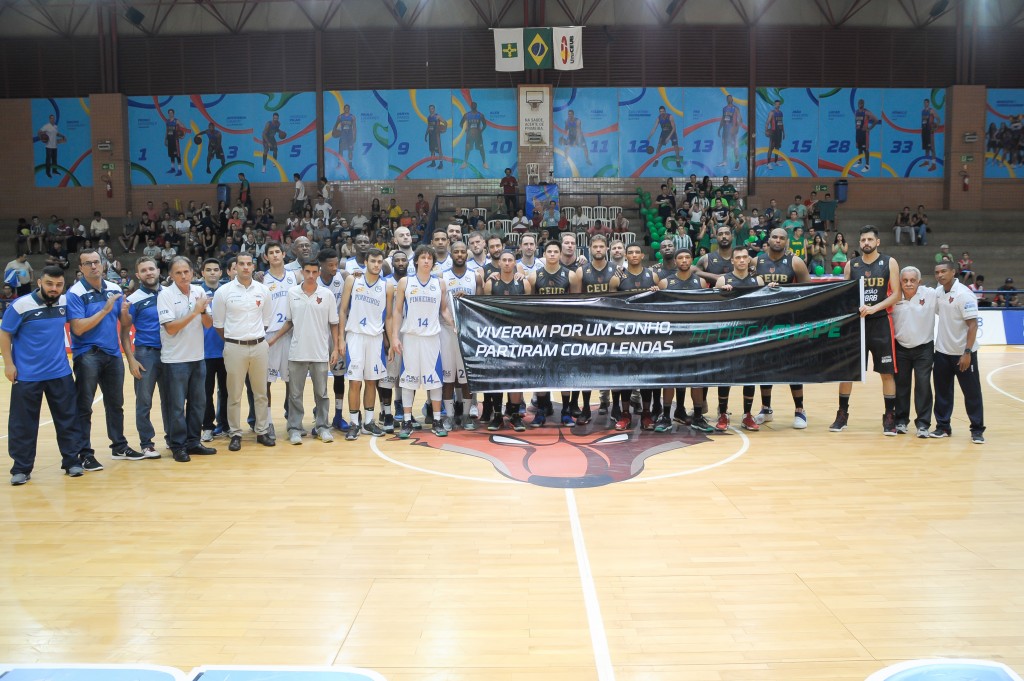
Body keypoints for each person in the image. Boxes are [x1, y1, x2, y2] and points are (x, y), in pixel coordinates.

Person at [1, 266, 87, 484]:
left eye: (58, 285)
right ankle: (21, 468)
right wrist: (8, 364)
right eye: (49, 284)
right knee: (23, 424)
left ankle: (71, 462)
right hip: (27, 375)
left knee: (68, 419)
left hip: (60, 373)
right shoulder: (21, 305)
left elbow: (79, 324)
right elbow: (5, 333)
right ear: (39, 282)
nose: (54, 288)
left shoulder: (65, 302)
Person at [67, 248, 143, 470]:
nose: (93, 266)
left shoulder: (114, 288)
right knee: (84, 406)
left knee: (115, 404)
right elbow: (78, 328)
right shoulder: (75, 293)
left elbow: (124, 324)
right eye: (88, 263)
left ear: (102, 264)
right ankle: (84, 452)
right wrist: (105, 309)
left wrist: (127, 313)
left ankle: (119, 446)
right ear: (80, 268)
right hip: (87, 355)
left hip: (112, 354)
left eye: (96, 262)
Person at [829, 225, 901, 435]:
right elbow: (846, 295)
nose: (866, 243)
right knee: (848, 372)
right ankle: (842, 414)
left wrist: (873, 308)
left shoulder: (889, 262)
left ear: (877, 242)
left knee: (887, 373)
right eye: (863, 240)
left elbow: (897, 295)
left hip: (881, 323)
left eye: (870, 239)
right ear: (859, 243)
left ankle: (889, 417)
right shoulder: (852, 264)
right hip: (857, 325)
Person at [272, 258, 340, 445]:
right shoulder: (292, 293)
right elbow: (289, 321)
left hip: (320, 352)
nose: (310, 275)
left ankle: (322, 427)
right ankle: (294, 428)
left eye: (314, 272)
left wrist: (334, 349)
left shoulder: (327, 295)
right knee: (294, 394)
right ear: (302, 272)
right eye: (307, 272)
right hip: (297, 352)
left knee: (322, 394)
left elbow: (334, 324)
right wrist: (273, 339)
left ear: (318, 273)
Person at [212, 252, 275, 451]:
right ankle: (235, 433)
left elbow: (266, 321)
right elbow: (219, 325)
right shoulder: (223, 292)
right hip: (234, 347)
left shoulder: (263, 290)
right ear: (235, 267)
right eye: (242, 264)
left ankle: (262, 431)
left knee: (261, 393)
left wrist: (254, 338)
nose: (246, 267)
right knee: (234, 394)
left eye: (249, 264)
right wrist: (234, 340)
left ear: (254, 267)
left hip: (259, 346)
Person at [157, 257, 215, 462]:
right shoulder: (165, 295)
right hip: (175, 361)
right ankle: (178, 446)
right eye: (178, 272)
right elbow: (171, 328)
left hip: (198, 357)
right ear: (171, 275)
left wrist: (205, 311)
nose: (183, 276)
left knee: (198, 404)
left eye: (186, 272)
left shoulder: (199, 292)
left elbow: (208, 324)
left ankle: (193, 442)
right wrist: (195, 311)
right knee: (176, 406)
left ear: (192, 273)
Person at [753, 228, 812, 429]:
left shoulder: (795, 262)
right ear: (768, 239)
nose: (778, 240)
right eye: (775, 237)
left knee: (791, 365)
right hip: (763, 322)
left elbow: (808, 292)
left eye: (782, 238)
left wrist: (785, 290)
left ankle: (800, 410)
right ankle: (766, 409)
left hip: (788, 322)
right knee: (764, 365)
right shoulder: (756, 261)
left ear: (787, 241)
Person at [391, 245, 450, 439]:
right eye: (423, 257)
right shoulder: (405, 282)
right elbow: (397, 311)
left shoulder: (440, 283)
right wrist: (394, 337)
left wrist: (456, 325)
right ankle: (407, 421)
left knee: (435, 381)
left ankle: (437, 420)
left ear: (433, 262)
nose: (426, 261)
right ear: (416, 260)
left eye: (430, 258)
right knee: (408, 380)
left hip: (432, 338)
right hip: (411, 337)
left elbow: (444, 310)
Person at [714, 246, 773, 433]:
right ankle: (723, 413)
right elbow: (713, 308)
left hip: (752, 333)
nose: (741, 260)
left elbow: (766, 305)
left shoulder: (758, 280)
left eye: (744, 257)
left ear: (749, 260)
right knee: (725, 374)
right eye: (737, 257)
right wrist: (722, 292)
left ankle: (747, 415)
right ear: (732, 260)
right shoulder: (723, 280)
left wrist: (770, 290)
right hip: (728, 333)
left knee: (750, 374)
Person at [339, 248, 393, 440]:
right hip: (354, 336)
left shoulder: (387, 286)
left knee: (372, 381)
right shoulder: (353, 281)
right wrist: (340, 339)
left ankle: (368, 422)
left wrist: (392, 340)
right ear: (366, 262)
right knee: (355, 382)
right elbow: (343, 311)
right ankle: (354, 422)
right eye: (373, 261)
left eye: (380, 262)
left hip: (375, 339)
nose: (376, 265)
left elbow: (389, 317)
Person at [120, 256, 170, 459]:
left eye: (151, 269)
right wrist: (131, 359)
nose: (149, 273)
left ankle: (173, 437)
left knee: (171, 400)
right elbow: (124, 333)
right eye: (144, 270)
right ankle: (146, 443)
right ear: (138, 275)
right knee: (144, 400)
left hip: (170, 353)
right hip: (145, 354)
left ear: (158, 271)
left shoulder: (170, 294)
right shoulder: (133, 299)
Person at [931, 261, 984, 443]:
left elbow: (973, 325)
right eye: (937, 272)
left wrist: (967, 352)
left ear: (953, 272)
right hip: (942, 352)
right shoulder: (938, 292)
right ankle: (943, 426)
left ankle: (977, 429)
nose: (940, 275)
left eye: (944, 271)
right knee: (942, 392)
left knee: (971, 393)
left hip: (964, 353)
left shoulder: (964, 295)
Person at [482, 249, 531, 432]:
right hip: (496, 337)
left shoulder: (523, 282)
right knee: (497, 377)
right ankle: (497, 415)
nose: (508, 263)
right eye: (505, 260)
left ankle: (516, 415)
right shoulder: (491, 283)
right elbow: (483, 312)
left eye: (511, 260)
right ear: (499, 263)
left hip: (518, 337)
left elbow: (529, 312)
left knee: (516, 377)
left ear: (515, 263)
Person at [892, 266, 937, 438]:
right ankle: (901, 421)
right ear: (900, 281)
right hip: (901, 348)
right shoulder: (894, 296)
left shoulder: (931, 295)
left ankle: (923, 424)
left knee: (923, 386)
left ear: (919, 281)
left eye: (912, 280)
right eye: (905, 280)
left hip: (924, 349)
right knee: (901, 386)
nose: (909, 284)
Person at [440, 242, 480, 432]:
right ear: (451, 253)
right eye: (455, 251)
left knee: (466, 378)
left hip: (468, 332)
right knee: (448, 377)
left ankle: (465, 416)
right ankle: (448, 416)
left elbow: (480, 305)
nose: (459, 254)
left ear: (467, 254)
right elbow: (441, 307)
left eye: (462, 251)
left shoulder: (475, 276)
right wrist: (452, 323)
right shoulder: (443, 276)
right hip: (447, 331)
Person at [200, 258, 229, 442]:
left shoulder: (227, 291)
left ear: (221, 273)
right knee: (206, 391)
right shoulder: (196, 292)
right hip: (203, 351)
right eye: (208, 269)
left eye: (215, 270)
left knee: (226, 391)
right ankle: (208, 427)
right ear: (202, 272)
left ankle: (224, 424)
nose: (212, 272)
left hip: (227, 349)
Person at [459, 101, 488, 169]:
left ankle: (484, 163)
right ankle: (465, 163)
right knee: (467, 149)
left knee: (481, 149)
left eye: (474, 105)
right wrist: (465, 130)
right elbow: (461, 124)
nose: (473, 106)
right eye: (472, 105)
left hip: (478, 136)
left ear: (476, 106)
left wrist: (481, 131)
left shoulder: (480, 115)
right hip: (470, 136)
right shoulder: (467, 115)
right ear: (471, 106)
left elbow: (485, 125)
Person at [853, 98, 879, 172]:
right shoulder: (856, 112)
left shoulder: (867, 112)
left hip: (865, 134)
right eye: (859, 103)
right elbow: (857, 122)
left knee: (865, 149)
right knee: (859, 147)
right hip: (858, 133)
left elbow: (876, 120)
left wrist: (869, 128)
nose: (860, 105)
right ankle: (859, 162)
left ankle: (867, 165)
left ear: (863, 104)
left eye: (862, 103)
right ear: (858, 104)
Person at [718, 95, 743, 170]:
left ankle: (737, 163)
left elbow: (740, 120)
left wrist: (736, 128)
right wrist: (719, 129)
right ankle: (724, 161)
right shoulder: (724, 109)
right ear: (726, 100)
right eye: (727, 98)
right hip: (725, 130)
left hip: (732, 131)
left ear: (732, 99)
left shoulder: (736, 109)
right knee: (724, 146)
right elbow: (723, 119)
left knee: (735, 147)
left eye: (730, 98)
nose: (729, 99)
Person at [38, 114, 66, 178]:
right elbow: (39, 132)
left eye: (53, 118)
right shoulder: (46, 126)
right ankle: (48, 172)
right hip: (48, 147)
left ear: (54, 119)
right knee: (48, 160)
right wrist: (41, 139)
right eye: (51, 118)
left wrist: (62, 136)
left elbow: (57, 134)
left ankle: (54, 171)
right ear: (49, 119)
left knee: (54, 160)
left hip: (55, 146)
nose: (52, 119)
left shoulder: (55, 126)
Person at [920, 98, 940, 171]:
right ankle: (926, 161)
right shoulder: (922, 111)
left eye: (926, 103)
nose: (925, 104)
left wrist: (936, 126)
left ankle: (934, 165)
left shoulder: (931, 110)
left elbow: (938, 118)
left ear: (928, 103)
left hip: (930, 131)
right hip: (924, 130)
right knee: (926, 147)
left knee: (932, 148)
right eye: (924, 103)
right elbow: (923, 121)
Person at [165, 108, 186, 176]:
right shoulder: (167, 121)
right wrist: (165, 139)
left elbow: (184, 127)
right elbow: (167, 131)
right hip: (170, 139)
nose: (170, 114)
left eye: (171, 113)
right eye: (169, 113)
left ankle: (179, 170)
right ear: (168, 114)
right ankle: (172, 168)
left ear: (173, 113)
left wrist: (183, 136)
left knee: (177, 155)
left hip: (175, 141)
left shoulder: (176, 121)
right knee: (171, 155)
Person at [764, 99, 784, 169]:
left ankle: (776, 161)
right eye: (776, 104)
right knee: (771, 148)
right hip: (773, 132)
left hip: (779, 132)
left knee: (777, 148)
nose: (777, 105)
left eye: (778, 104)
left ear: (780, 105)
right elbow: (767, 122)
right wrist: (766, 130)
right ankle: (768, 163)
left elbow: (781, 123)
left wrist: (783, 132)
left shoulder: (781, 113)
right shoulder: (771, 113)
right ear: (774, 105)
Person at [425, 104, 445, 169]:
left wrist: (444, 129)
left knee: (439, 150)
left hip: (436, 136)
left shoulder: (437, 116)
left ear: (434, 109)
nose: (431, 110)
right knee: (432, 150)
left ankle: (441, 164)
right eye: (430, 109)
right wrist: (426, 134)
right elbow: (428, 126)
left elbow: (445, 122)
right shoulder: (428, 117)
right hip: (431, 136)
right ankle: (433, 163)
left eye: (432, 108)